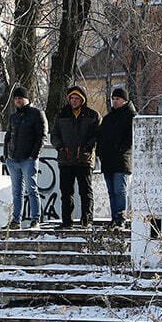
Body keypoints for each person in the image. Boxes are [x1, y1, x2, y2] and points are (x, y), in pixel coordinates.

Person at [51, 85, 100, 228]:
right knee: (66, 193)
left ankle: (87, 220)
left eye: (77, 98)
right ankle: (67, 222)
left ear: (83, 99)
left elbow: (96, 135)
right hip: (65, 160)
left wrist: (87, 149)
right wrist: (60, 147)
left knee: (85, 192)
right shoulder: (61, 114)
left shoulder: (92, 115)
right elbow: (54, 134)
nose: (74, 101)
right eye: (72, 98)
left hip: (84, 160)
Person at [3, 85, 47, 230]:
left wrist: (34, 155)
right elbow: (8, 136)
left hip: (28, 159)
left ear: (27, 99)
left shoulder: (37, 114)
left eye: (20, 98)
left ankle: (35, 220)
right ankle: (16, 221)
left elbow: (42, 136)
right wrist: (6, 155)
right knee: (16, 192)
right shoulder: (13, 116)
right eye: (16, 99)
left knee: (32, 190)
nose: (18, 101)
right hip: (13, 159)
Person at [97, 87, 136, 227]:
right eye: (113, 99)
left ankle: (121, 218)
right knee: (112, 192)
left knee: (120, 190)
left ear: (125, 100)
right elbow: (100, 138)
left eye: (117, 99)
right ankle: (115, 218)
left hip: (122, 160)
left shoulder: (131, 116)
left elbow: (130, 139)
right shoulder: (108, 118)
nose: (114, 102)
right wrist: (100, 153)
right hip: (108, 160)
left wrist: (119, 149)